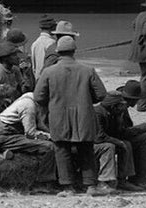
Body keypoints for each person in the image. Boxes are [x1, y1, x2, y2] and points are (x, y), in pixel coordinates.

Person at [32, 35, 111, 196]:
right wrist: (87, 98)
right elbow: (102, 95)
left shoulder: (48, 72)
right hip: (83, 116)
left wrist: (52, 101)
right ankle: (90, 185)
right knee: (86, 149)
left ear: (58, 52)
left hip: (58, 116)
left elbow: (38, 97)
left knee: (62, 150)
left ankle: (67, 187)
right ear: (74, 51)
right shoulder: (88, 70)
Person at [97, 84, 146, 190]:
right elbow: (119, 134)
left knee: (145, 139)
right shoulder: (112, 108)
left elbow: (124, 130)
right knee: (125, 144)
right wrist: (144, 127)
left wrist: (142, 131)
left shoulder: (120, 108)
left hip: (115, 136)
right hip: (108, 139)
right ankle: (121, 180)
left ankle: (142, 179)